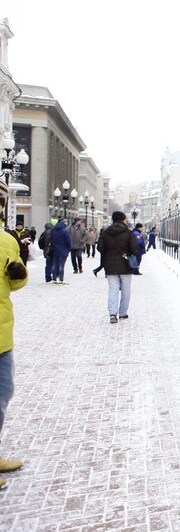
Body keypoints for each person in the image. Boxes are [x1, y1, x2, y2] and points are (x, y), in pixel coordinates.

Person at [0, 180, 29, 488]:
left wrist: (19, 275)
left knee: (2, 394)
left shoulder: (7, 240)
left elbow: (15, 282)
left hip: (2, 333)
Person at [97, 211, 137, 323]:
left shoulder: (105, 232)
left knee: (113, 289)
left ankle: (112, 314)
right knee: (126, 289)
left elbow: (100, 248)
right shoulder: (129, 233)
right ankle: (123, 313)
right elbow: (134, 248)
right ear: (123, 219)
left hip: (110, 264)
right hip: (125, 264)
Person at [50, 218, 71, 285]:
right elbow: (68, 241)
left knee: (54, 265)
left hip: (55, 250)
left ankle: (54, 279)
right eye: (66, 222)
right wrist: (68, 248)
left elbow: (51, 239)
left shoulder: (53, 230)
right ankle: (61, 280)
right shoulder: (65, 231)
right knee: (61, 265)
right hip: (63, 250)